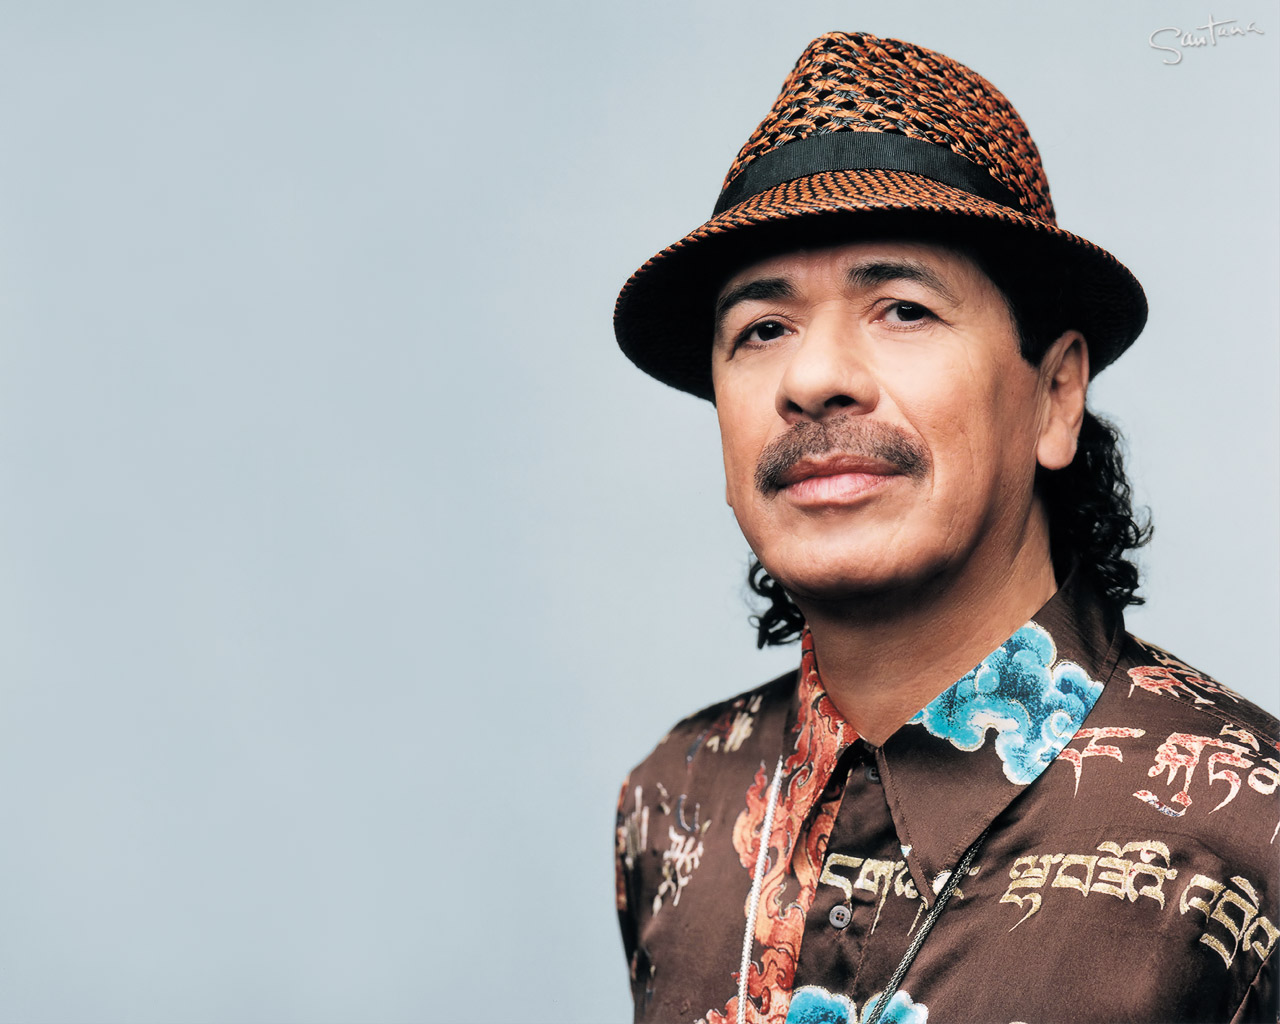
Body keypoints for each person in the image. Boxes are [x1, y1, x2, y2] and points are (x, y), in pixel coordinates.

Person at [611, 31, 1278, 1024]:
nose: (811, 378)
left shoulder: (1249, 828)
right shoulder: (674, 802)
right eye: (762, 329)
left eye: (903, 310)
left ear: (1055, 394)